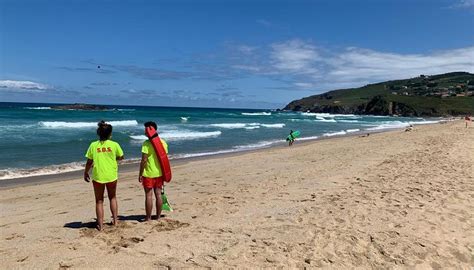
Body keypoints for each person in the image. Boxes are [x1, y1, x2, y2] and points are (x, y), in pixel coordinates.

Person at [84, 121, 124, 231]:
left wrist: (86, 172)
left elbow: (89, 161)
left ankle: (100, 225)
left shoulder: (93, 145)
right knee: (112, 197)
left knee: (99, 201)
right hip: (111, 175)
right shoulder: (114, 145)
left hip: (98, 176)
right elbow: (121, 156)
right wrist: (113, 159)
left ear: (98, 133)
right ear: (110, 134)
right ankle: (115, 220)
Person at [138, 121, 169, 221]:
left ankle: (148, 218)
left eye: (146, 130)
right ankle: (158, 217)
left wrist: (140, 173)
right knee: (158, 194)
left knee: (148, 195)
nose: (145, 132)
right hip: (160, 173)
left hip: (148, 174)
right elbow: (164, 158)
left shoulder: (146, 144)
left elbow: (144, 160)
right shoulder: (163, 142)